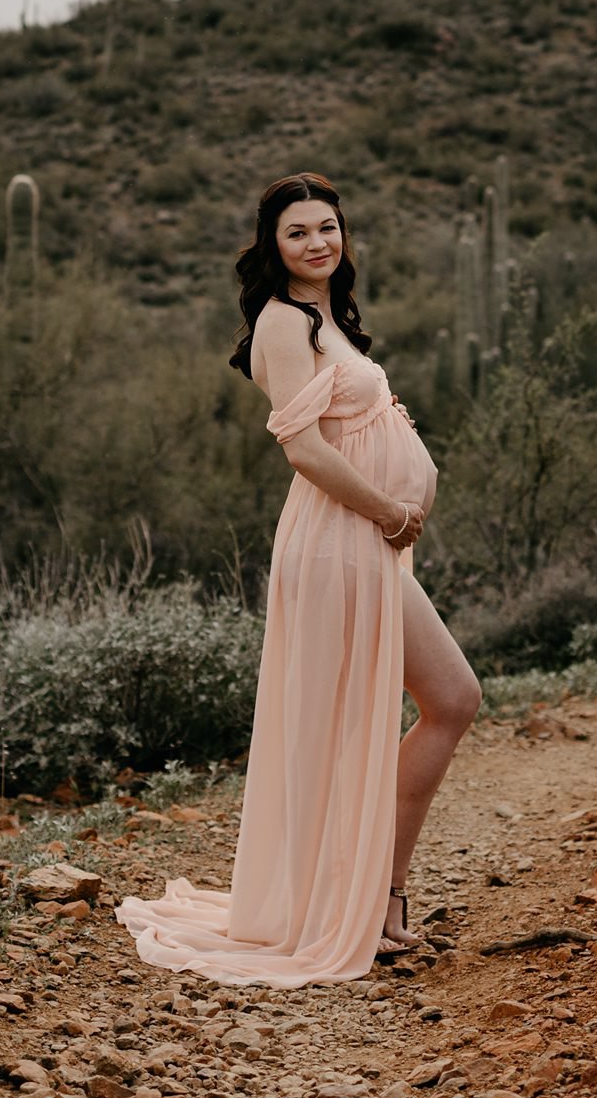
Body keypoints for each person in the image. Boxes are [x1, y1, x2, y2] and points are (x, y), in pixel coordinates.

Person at [114, 170, 482, 986]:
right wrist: (389, 509)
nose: (318, 242)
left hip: (368, 541)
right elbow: (304, 448)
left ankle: (379, 895)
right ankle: (359, 906)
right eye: (298, 232)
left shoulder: (327, 319)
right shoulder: (283, 322)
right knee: (407, 708)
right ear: (271, 246)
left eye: (328, 227)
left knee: (447, 701)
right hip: (338, 538)